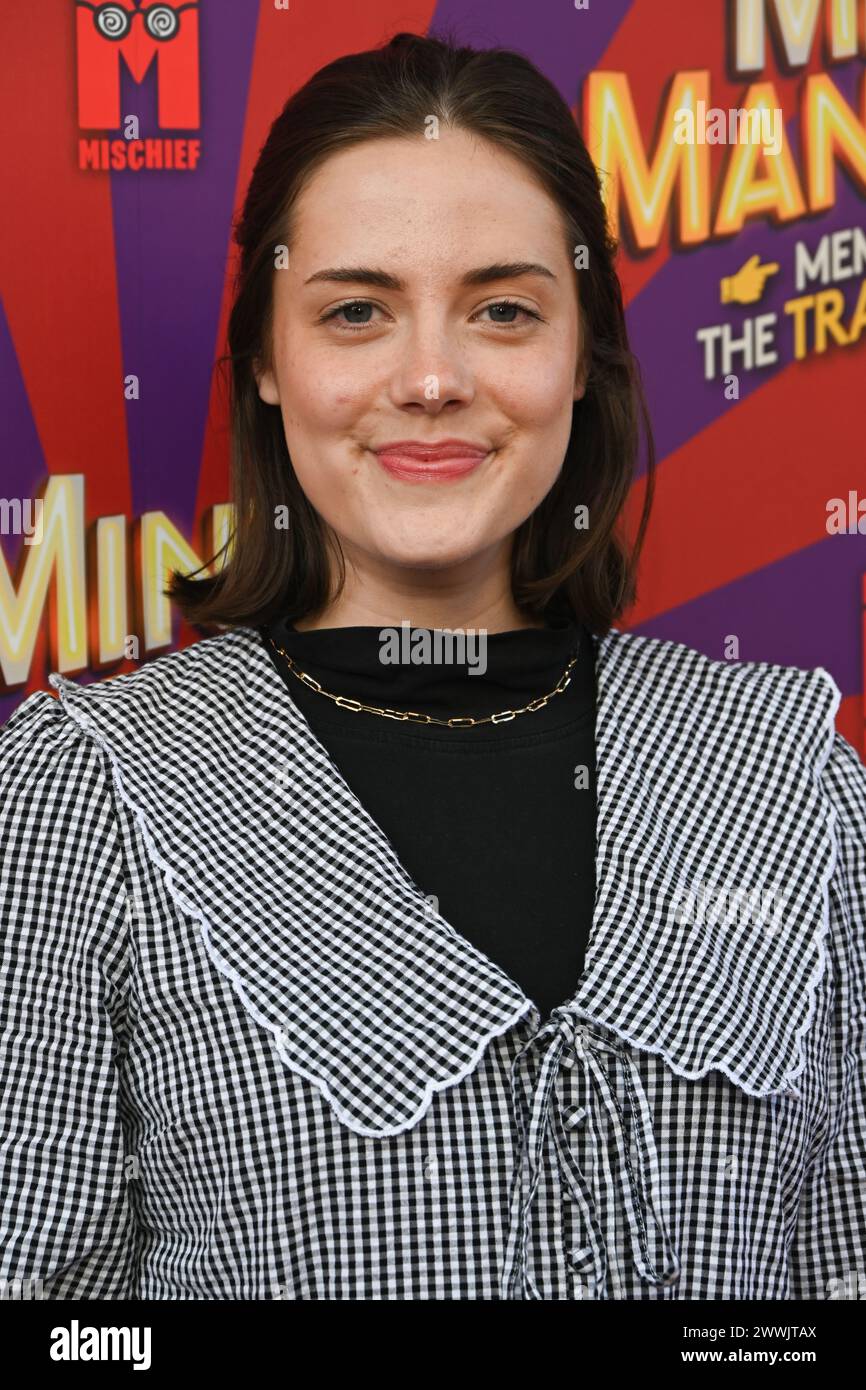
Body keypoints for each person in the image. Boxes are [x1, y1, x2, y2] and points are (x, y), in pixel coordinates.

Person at [1, 30, 864, 1302]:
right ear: (265, 363)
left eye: (502, 310)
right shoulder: (84, 793)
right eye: (355, 310)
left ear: (582, 360)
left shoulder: (786, 775)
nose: (428, 378)